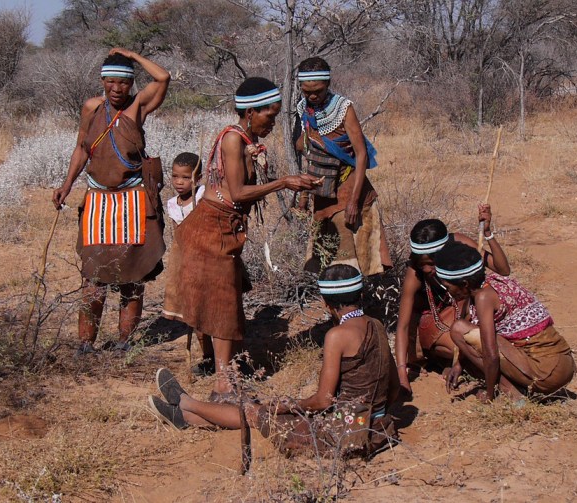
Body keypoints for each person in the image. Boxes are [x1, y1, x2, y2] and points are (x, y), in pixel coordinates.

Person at [163, 77, 319, 399]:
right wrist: (284, 182)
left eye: (276, 116)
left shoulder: (244, 138)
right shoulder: (233, 140)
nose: (272, 123)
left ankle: (229, 370)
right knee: (221, 303)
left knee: (227, 300)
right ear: (250, 111)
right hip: (211, 229)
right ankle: (224, 384)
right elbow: (237, 192)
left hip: (223, 228)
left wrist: (292, 183)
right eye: (269, 116)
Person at [149, 264, 400, 456]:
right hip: (374, 426)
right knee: (262, 412)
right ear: (359, 295)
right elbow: (394, 386)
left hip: (344, 432)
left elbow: (323, 401)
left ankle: (186, 403)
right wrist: (375, 416)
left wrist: (285, 406)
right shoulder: (376, 325)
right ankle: (185, 417)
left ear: (326, 304)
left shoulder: (337, 335)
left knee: (254, 411)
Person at [52, 48, 170, 355]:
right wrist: (66, 185)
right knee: (93, 277)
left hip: (132, 201)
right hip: (98, 201)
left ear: (131, 84)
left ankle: (123, 342)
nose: (116, 89)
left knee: (133, 277)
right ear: (102, 81)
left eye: (123, 83)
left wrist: (131, 54)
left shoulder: (138, 108)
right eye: (110, 82)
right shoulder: (91, 108)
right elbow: (81, 147)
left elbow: (163, 76)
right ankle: (85, 344)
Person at [434, 241, 575, 402]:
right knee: (468, 334)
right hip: (564, 365)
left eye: (448, 286)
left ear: (464, 284)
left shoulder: (483, 297)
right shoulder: (493, 282)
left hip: (545, 372)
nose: (448, 292)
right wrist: (459, 364)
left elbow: (490, 354)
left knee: (458, 329)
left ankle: (513, 393)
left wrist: (489, 393)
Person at [394, 206, 510, 396]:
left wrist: (487, 233)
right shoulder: (414, 273)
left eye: (431, 264)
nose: (426, 270)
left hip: (466, 315)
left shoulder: (460, 247)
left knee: (481, 342)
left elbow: (503, 270)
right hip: (437, 323)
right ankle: (455, 361)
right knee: (467, 344)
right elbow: (403, 326)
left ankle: (466, 363)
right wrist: (402, 375)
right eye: (421, 264)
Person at [295, 57, 392, 276]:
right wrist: (303, 197)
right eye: (306, 91)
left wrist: (353, 202)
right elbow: (309, 153)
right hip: (322, 191)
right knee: (328, 255)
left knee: (353, 258)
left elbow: (361, 155)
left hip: (348, 187)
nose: (312, 96)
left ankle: (355, 304)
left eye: (317, 91)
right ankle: (335, 303)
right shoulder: (304, 108)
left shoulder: (343, 108)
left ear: (327, 85)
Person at [161, 153, 214, 374]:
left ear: (198, 177)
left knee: (210, 311)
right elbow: (177, 235)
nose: (179, 182)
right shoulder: (172, 204)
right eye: (175, 176)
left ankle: (220, 358)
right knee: (193, 313)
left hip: (206, 259)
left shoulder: (204, 197)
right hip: (183, 261)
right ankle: (207, 357)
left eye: (185, 177)